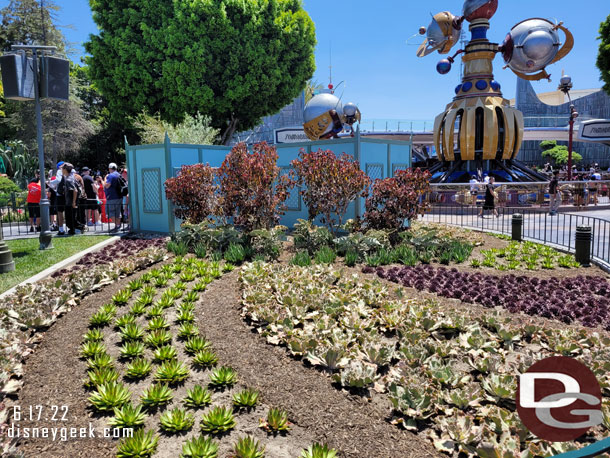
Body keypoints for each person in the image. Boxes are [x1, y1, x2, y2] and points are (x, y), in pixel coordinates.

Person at [104, 162, 122, 232]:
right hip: (119, 196)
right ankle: (118, 226)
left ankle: (117, 225)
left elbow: (107, 185)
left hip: (112, 197)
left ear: (109, 168)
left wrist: (105, 178)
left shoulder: (110, 176)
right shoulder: (118, 175)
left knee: (109, 212)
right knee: (117, 212)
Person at [61, 163, 78, 235]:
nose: (61, 170)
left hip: (70, 203)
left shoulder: (69, 179)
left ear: (65, 170)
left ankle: (76, 229)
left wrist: (73, 202)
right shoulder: (70, 177)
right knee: (70, 219)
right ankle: (73, 230)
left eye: (62, 169)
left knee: (70, 219)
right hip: (69, 202)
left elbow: (75, 190)